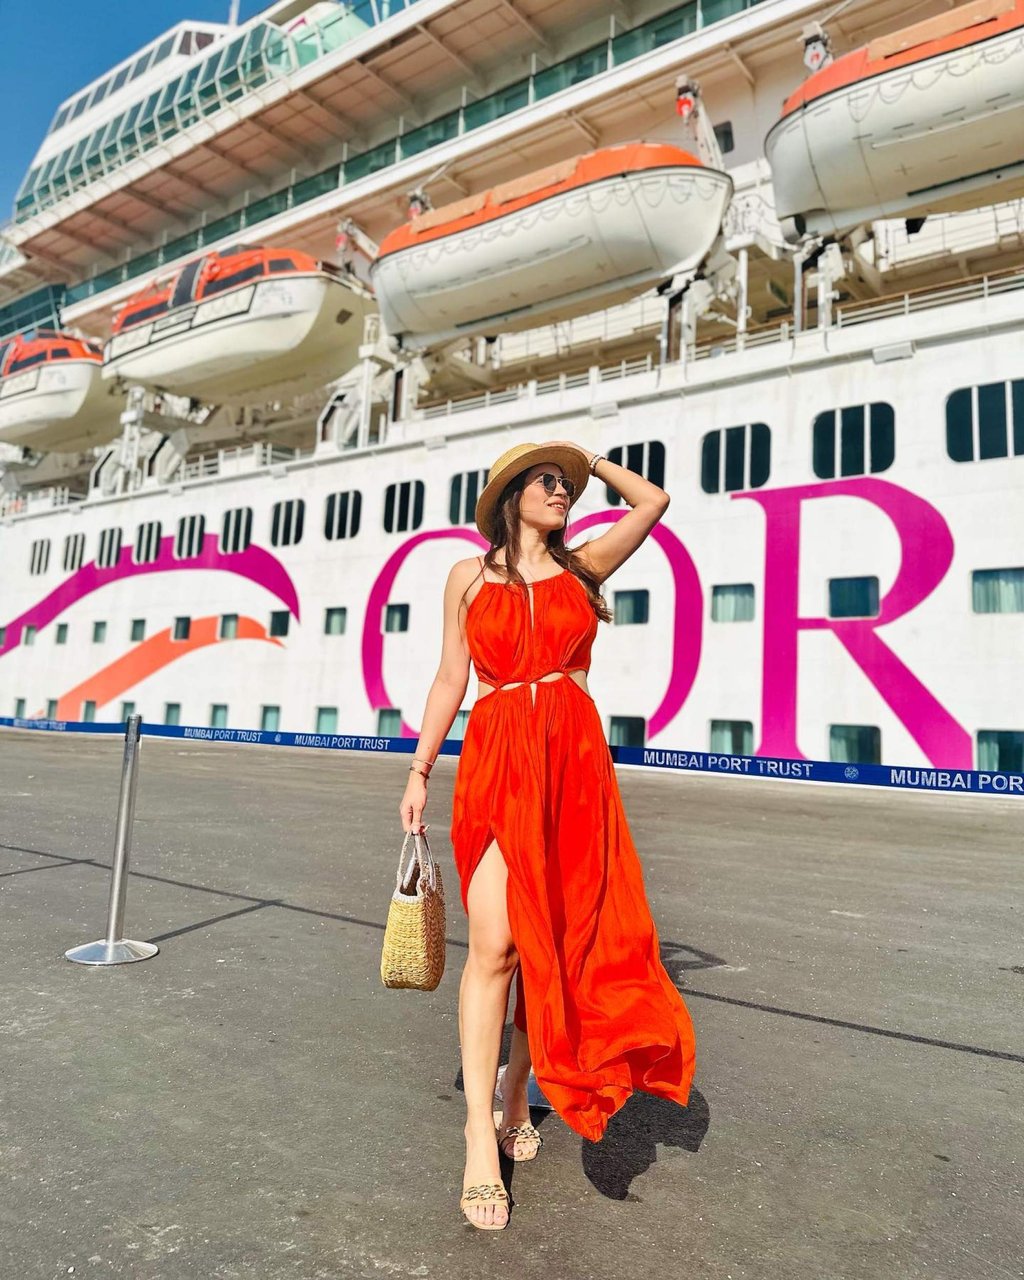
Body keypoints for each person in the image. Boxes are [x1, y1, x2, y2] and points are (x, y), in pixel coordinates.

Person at [398, 439, 696, 1231]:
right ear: (509, 496)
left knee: (550, 945)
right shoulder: (467, 575)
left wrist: (589, 461)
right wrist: (421, 769)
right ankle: (477, 1137)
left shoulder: (584, 567)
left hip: (573, 761)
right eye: (547, 481)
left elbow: (654, 503)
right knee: (494, 941)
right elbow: (449, 678)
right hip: (498, 754)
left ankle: (511, 1093)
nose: (562, 493)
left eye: (567, 485)